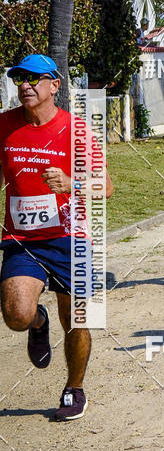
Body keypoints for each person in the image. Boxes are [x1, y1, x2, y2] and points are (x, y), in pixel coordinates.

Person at [0, 54, 114, 420]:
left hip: (70, 237)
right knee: (16, 315)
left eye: (34, 78)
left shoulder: (76, 130)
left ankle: (74, 388)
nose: (25, 85)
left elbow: (106, 188)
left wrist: (71, 183)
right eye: (19, 78)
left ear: (54, 85)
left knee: (77, 319)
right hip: (22, 239)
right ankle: (38, 322)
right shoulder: (4, 125)